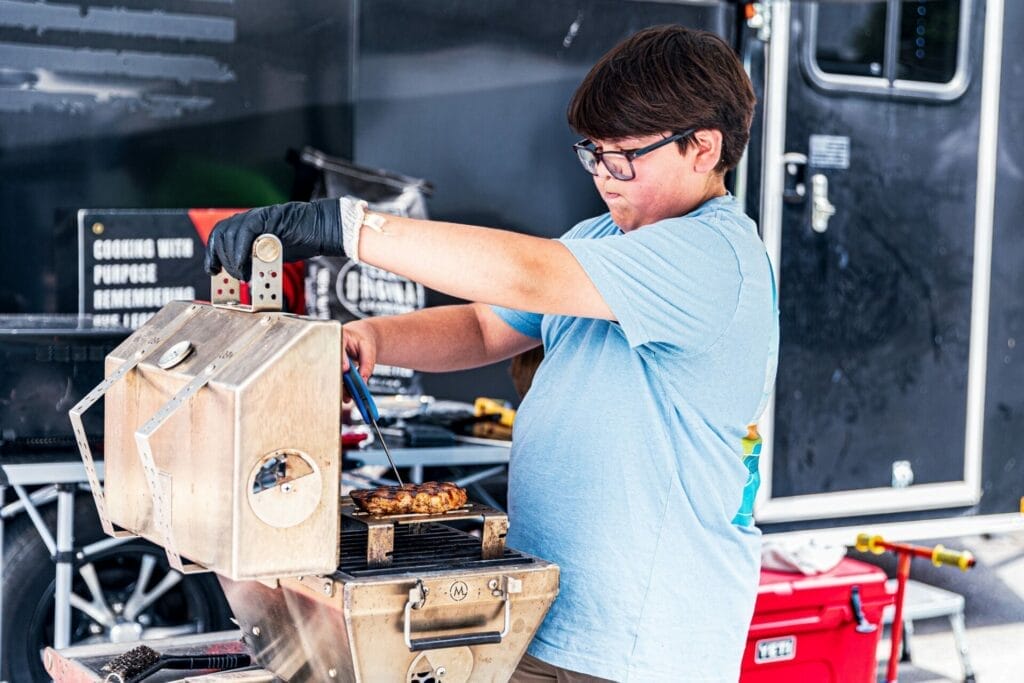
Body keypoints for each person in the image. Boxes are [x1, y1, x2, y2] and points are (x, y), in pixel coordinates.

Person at [205, 24, 778, 682]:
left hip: (643, 641)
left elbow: (526, 275)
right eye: (593, 155)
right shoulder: (605, 238)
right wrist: (371, 340)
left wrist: (349, 226)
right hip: (546, 612)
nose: (604, 178)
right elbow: (485, 324)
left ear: (703, 147)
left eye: (624, 158)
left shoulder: (714, 257)